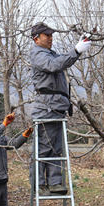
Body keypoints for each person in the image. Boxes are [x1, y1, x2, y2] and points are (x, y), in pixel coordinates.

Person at [30, 22, 91, 196]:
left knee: (56, 148)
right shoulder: (38, 54)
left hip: (58, 107)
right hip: (46, 108)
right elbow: (55, 65)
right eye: (46, 35)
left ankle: (55, 182)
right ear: (36, 38)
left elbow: (59, 60)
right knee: (43, 147)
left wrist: (77, 49)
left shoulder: (49, 53)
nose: (50, 38)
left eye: (51, 35)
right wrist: (76, 51)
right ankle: (39, 184)